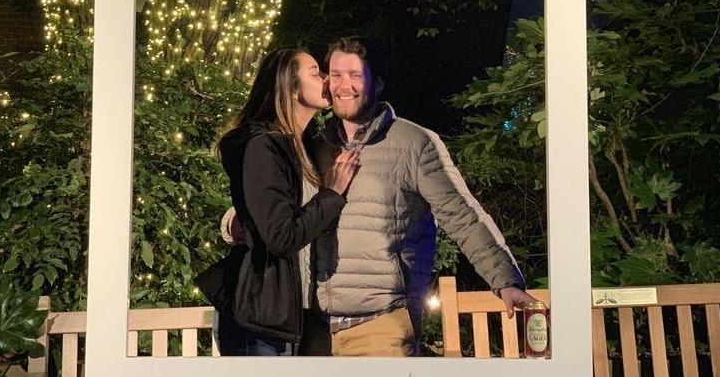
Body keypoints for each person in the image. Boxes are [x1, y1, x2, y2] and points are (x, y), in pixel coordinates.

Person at [309, 36, 535, 357]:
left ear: (379, 83)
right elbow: (281, 205)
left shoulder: (414, 143)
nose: (344, 85)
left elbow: (461, 214)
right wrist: (237, 219)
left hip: (381, 327)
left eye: (355, 75)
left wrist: (505, 279)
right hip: (314, 333)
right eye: (336, 74)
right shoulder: (313, 146)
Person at [215, 47, 359, 356]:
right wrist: (332, 194)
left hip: (298, 313)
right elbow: (281, 237)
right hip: (261, 316)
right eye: (314, 73)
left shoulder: (304, 148)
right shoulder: (263, 146)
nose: (326, 80)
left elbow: (275, 205)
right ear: (291, 87)